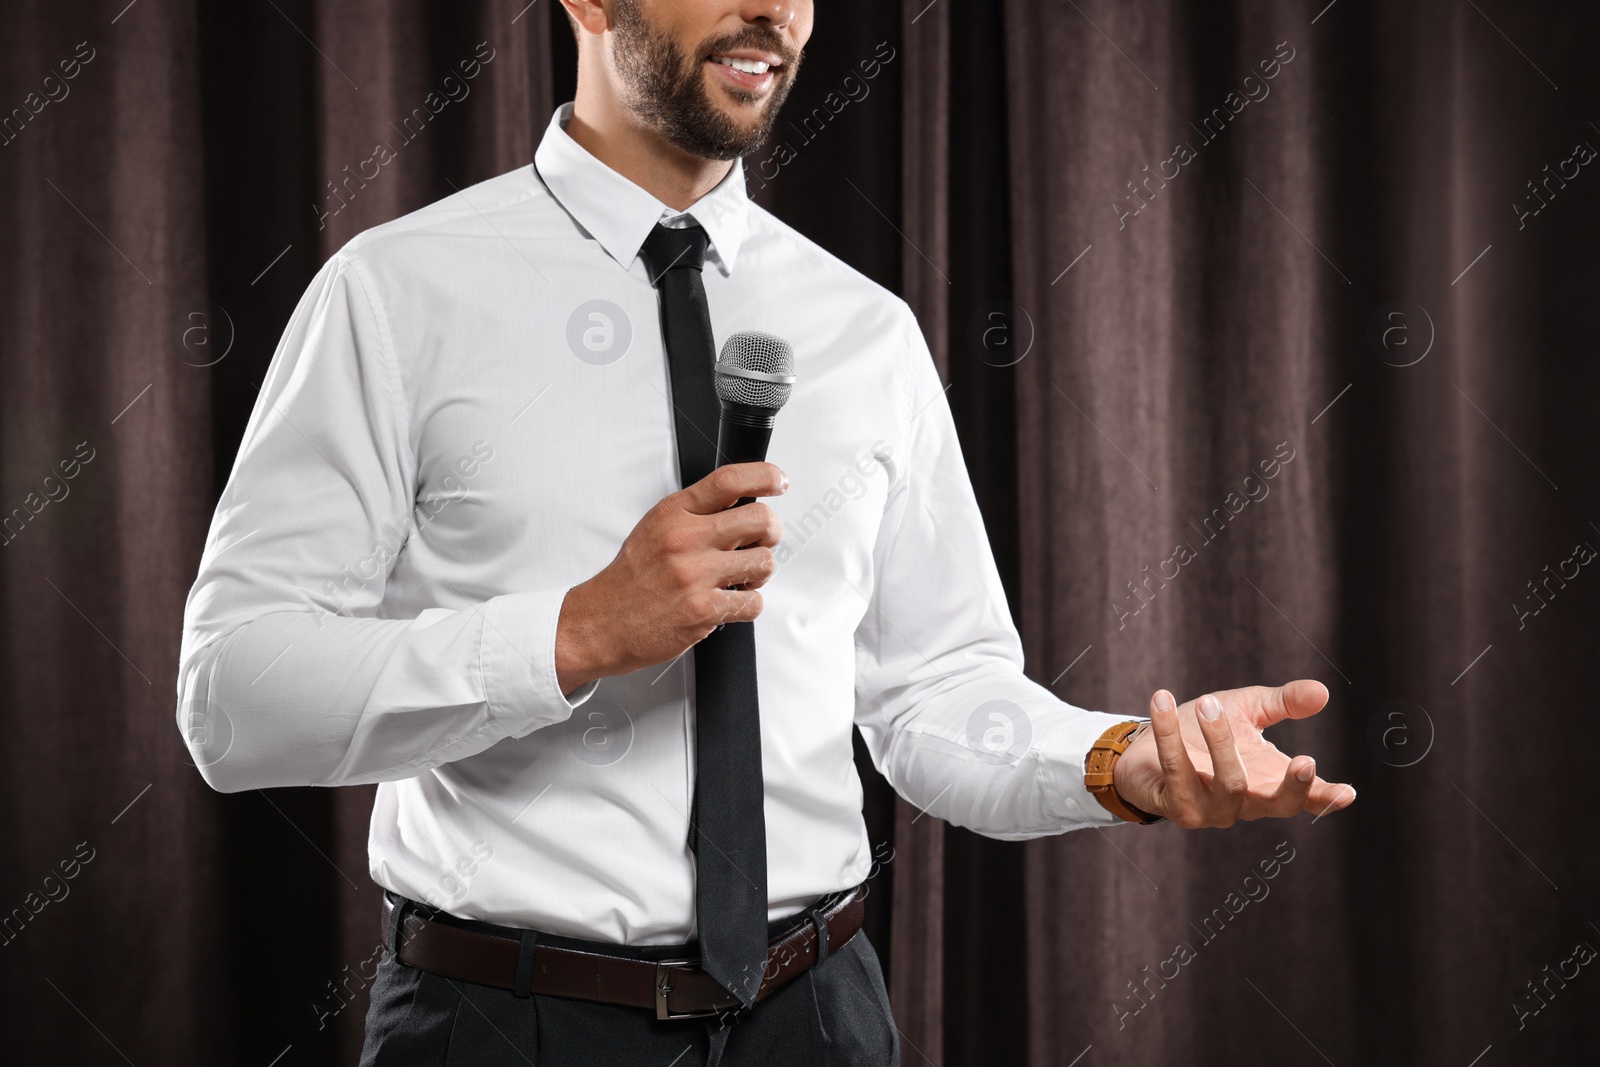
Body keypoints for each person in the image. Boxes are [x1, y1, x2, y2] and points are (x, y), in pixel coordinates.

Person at [175, 1, 1356, 1063]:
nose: (773, 12)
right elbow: (233, 697)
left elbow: (931, 690)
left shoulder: (866, 328)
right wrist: (576, 633)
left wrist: (1116, 763)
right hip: (504, 1022)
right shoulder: (394, 294)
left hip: (822, 1016)